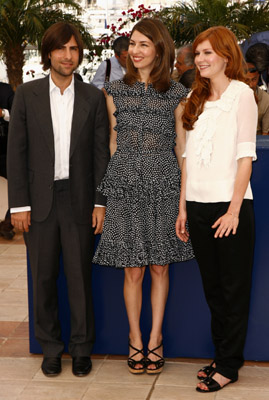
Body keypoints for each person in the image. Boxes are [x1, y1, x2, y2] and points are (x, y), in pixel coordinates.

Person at [7, 22, 110, 377]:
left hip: (80, 200)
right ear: (48, 52)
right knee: (44, 278)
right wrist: (18, 205)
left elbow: (101, 156)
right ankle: (51, 347)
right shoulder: (27, 94)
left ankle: (82, 349)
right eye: (62, 49)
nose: (69, 56)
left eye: (74, 49)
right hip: (39, 202)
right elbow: (16, 152)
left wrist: (100, 201)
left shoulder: (93, 98)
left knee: (81, 278)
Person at [93, 18, 194, 375]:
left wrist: (183, 202)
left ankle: (156, 338)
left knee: (159, 266)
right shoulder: (113, 91)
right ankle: (135, 339)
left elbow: (183, 150)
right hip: (124, 185)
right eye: (132, 44)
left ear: (159, 49)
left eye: (143, 45)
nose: (134, 51)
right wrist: (103, 198)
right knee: (132, 269)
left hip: (164, 185)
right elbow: (111, 145)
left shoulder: (179, 94)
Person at [176, 26, 257, 392]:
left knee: (233, 289)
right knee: (213, 289)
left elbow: (245, 158)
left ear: (226, 55)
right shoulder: (196, 96)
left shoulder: (243, 95)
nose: (201, 60)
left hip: (230, 207)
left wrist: (234, 211)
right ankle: (224, 354)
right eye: (198, 54)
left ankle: (228, 365)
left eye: (208, 53)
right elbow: (188, 160)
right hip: (196, 205)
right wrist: (182, 209)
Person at [0, 82, 15, 240]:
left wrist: (2, 113)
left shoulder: (5, 90)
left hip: (5, 150)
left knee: (19, 183)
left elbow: (18, 113)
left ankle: (8, 222)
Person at [245, 62, 269, 135]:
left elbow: (265, 133)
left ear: (258, 77)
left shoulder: (266, 99)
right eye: (246, 80)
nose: (251, 84)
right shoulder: (229, 96)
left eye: (254, 79)